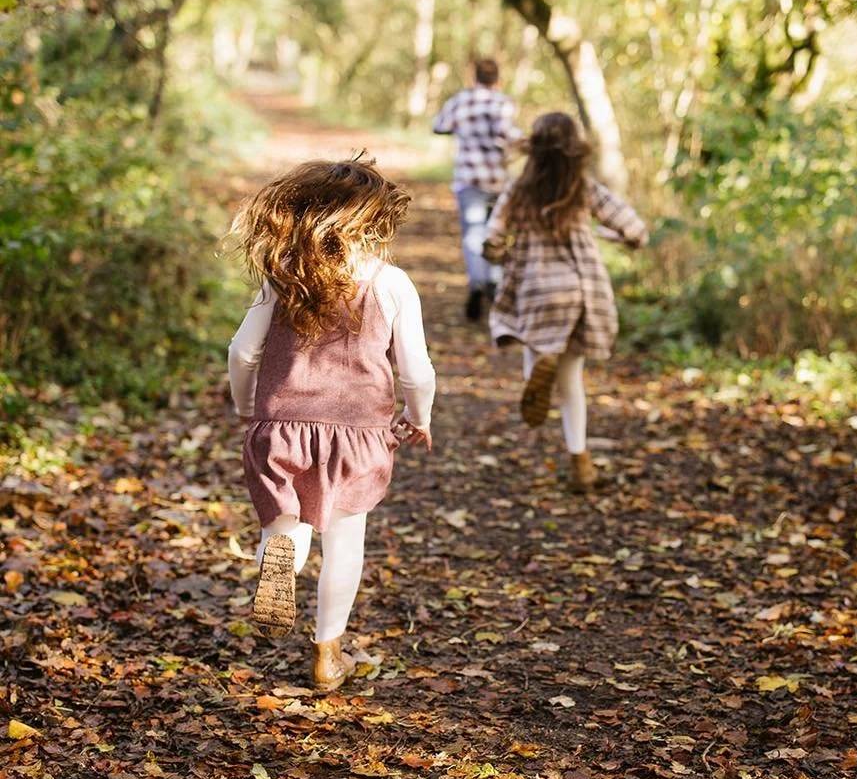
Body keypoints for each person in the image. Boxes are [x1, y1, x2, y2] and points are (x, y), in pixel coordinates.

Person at [227, 158, 436, 692]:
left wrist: (246, 406)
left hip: (282, 426)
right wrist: (418, 417)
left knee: (285, 524)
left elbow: (243, 351)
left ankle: (281, 558)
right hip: (358, 435)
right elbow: (416, 370)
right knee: (346, 540)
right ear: (371, 224)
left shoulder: (286, 277)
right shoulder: (391, 283)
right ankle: (327, 656)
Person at [482, 112, 648, 494]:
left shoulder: (517, 190)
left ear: (534, 149)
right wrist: (618, 238)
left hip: (536, 291)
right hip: (580, 288)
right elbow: (635, 229)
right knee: (572, 379)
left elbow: (492, 241)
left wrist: (500, 253)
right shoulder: (584, 188)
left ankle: (538, 370)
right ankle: (581, 465)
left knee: (540, 356)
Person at [432, 58, 521, 321]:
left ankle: (477, 282)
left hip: (468, 178)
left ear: (475, 77)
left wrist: (462, 130)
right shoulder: (503, 102)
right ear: (497, 79)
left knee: (473, 233)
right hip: (498, 180)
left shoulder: (460, 101)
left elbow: (439, 126)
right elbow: (509, 134)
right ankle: (493, 282)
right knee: (496, 231)